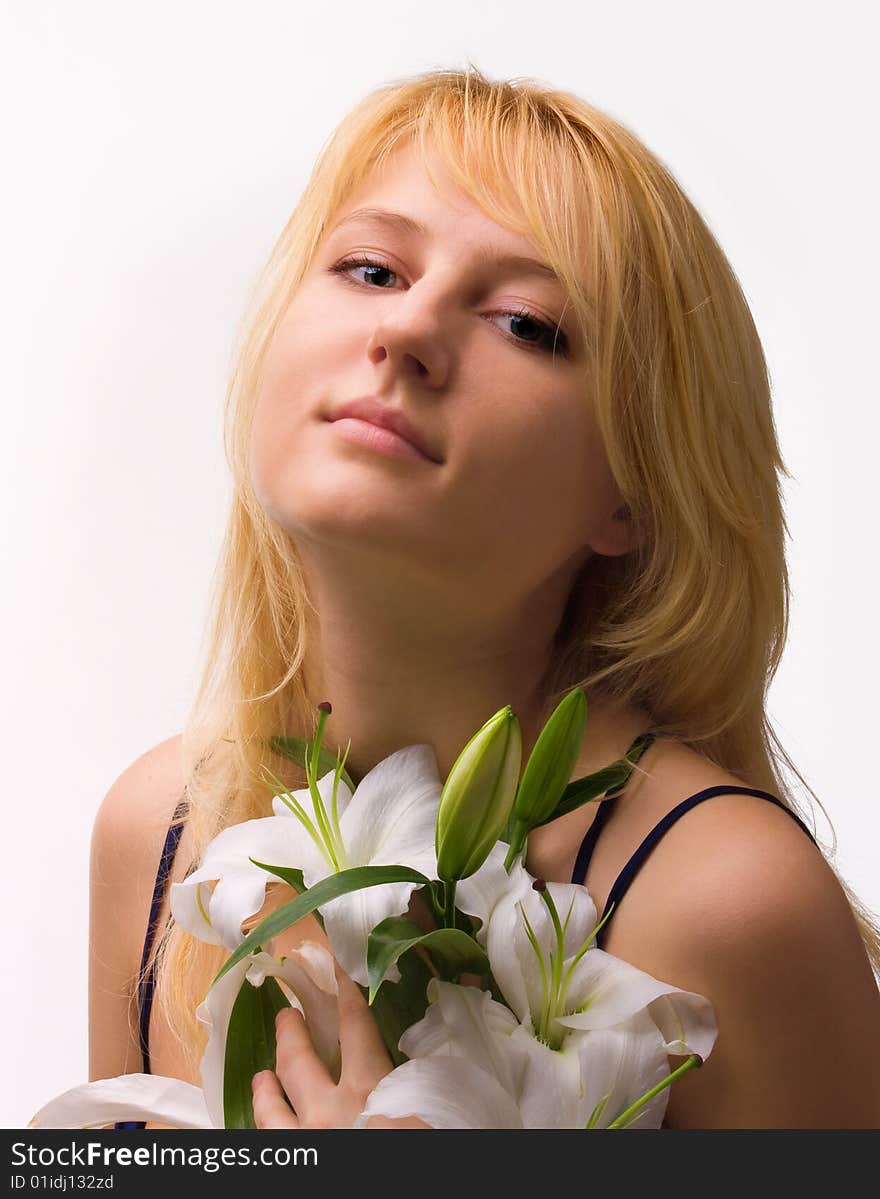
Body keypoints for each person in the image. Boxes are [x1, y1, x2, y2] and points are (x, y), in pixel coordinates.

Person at [90, 65, 880, 1130]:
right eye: (369, 268)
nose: (406, 331)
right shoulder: (159, 830)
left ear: (631, 494)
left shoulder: (727, 903)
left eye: (527, 323)